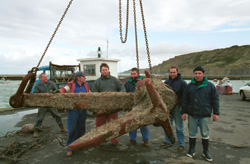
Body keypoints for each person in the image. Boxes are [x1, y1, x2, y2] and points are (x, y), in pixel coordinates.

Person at [181, 66, 220, 162]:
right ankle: (191, 149)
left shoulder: (210, 86)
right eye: (196, 73)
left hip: (205, 114)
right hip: (192, 114)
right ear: (194, 74)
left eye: (199, 73)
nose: (197, 75)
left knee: (205, 133)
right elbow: (185, 100)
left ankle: (205, 151)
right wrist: (183, 112)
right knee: (192, 133)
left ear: (203, 74)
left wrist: (216, 113)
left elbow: (215, 99)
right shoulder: (189, 86)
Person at [92, 63, 126, 146]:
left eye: (106, 69)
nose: (104, 71)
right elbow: (93, 94)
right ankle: (99, 140)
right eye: (103, 70)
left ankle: (114, 140)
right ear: (100, 71)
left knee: (113, 124)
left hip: (113, 108)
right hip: (101, 108)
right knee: (99, 125)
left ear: (108, 70)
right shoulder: (97, 82)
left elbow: (122, 88)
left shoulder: (115, 80)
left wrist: (118, 96)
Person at [59, 71, 90, 157]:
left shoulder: (86, 85)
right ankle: (70, 147)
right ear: (78, 78)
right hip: (73, 110)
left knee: (81, 128)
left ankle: (80, 145)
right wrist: (58, 92)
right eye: (83, 76)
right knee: (72, 128)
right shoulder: (71, 85)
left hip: (83, 110)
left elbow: (90, 94)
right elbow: (64, 89)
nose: (85, 78)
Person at [33, 73, 67, 138]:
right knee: (40, 117)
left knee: (57, 115)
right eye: (44, 77)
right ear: (41, 78)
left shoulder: (51, 83)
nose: (46, 79)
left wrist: (56, 94)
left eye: (46, 77)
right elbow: (35, 94)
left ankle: (62, 128)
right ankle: (36, 130)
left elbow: (56, 91)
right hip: (43, 104)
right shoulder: (37, 86)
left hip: (51, 103)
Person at [162, 66, 187, 152]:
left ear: (177, 72)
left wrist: (184, 110)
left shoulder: (182, 83)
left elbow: (185, 97)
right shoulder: (166, 82)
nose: (172, 74)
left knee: (179, 127)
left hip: (177, 108)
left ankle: (181, 144)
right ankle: (167, 141)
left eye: (174, 72)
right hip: (168, 108)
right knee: (168, 125)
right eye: (171, 72)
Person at [124, 67, 150, 147]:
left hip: (142, 106)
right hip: (132, 106)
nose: (132, 75)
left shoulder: (144, 82)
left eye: (134, 74)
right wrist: (125, 105)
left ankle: (146, 140)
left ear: (138, 74)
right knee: (131, 123)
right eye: (131, 74)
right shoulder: (128, 83)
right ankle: (132, 139)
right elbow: (125, 95)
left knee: (144, 124)